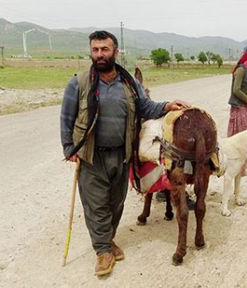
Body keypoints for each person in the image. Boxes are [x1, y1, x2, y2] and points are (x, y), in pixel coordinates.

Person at [60, 30, 189, 277]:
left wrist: (166, 106)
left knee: (115, 202)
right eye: (95, 49)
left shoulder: (128, 82)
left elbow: (145, 107)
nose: (99, 54)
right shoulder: (79, 82)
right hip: (91, 155)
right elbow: (66, 116)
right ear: (91, 51)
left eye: (104, 49)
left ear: (115, 52)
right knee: (96, 205)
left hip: (121, 153)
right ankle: (102, 251)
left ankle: (107, 239)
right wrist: (68, 148)